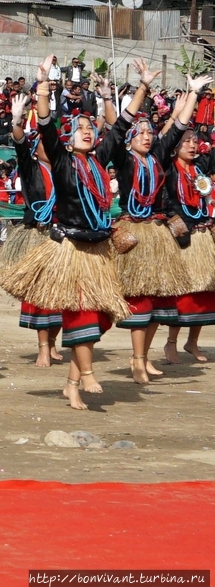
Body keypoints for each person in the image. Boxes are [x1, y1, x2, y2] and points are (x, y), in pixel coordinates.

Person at [0, 55, 150, 410]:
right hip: (70, 248)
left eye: (90, 127)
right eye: (80, 128)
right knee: (82, 313)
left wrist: (143, 86)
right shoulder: (63, 158)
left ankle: (72, 382)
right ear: (68, 140)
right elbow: (47, 124)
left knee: (103, 316)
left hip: (98, 250)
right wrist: (43, 84)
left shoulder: (99, 160)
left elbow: (123, 123)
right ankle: (86, 374)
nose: (87, 130)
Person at [108, 76, 207, 384]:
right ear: (131, 140)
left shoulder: (157, 158)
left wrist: (193, 92)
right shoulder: (125, 161)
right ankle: (136, 359)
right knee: (140, 300)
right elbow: (117, 129)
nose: (148, 137)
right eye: (142, 134)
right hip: (134, 231)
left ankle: (145, 357)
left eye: (150, 132)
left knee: (156, 303)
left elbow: (179, 125)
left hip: (156, 232)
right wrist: (141, 89)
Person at [1, 92, 64, 368]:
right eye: (43, 145)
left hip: (61, 237)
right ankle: (42, 347)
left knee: (62, 295)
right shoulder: (31, 168)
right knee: (41, 295)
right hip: (38, 237)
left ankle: (52, 344)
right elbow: (20, 145)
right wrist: (16, 120)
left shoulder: (65, 170)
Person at [163, 123, 215, 364]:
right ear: (175, 147)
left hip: (203, 236)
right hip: (182, 235)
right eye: (186, 141)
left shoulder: (200, 167)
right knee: (184, 292)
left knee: (206, 291)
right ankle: (171, 342)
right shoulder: (168, 170)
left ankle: (192, 341)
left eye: (195, 141)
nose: (192, 145)